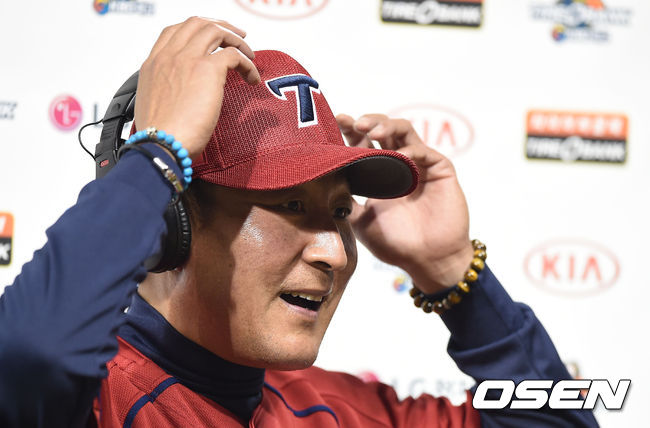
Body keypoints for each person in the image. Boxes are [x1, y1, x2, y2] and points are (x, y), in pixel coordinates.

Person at [0, 17, 598, 427]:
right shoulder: (95, 402)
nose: (334, 253)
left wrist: (451, 272)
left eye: (339, 212)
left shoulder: (336, 409)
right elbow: (32, 350)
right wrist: (155, 157)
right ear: (171, 223)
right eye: (289, 205)